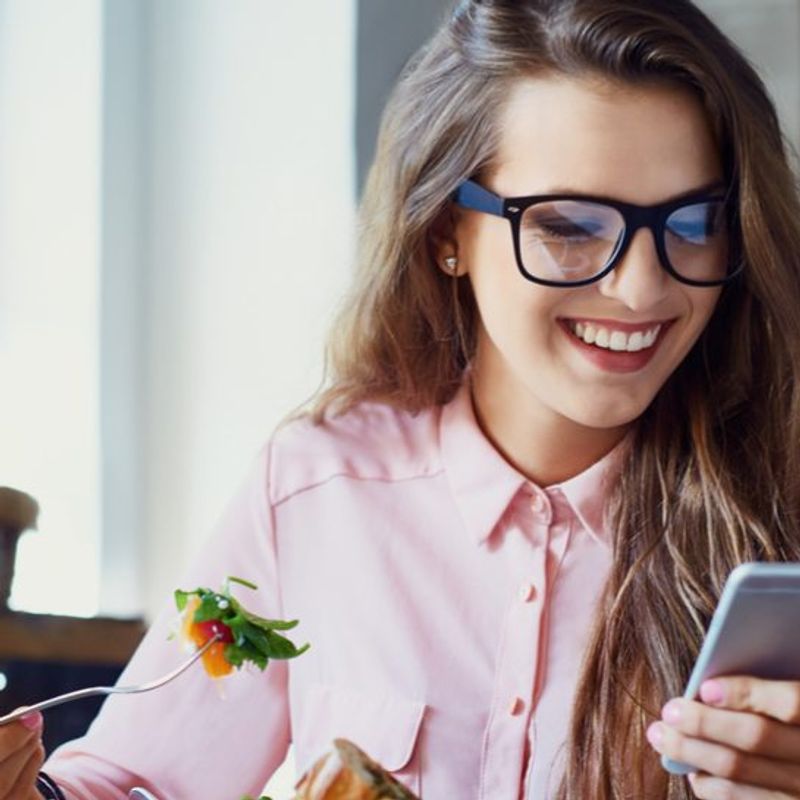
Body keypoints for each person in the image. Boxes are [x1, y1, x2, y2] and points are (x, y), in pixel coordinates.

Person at [4, 0, 800, 797]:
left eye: (695, 220)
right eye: (567, 226)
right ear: (446, 231)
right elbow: (135, 779)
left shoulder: (776, 513)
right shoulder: (318, 486)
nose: (640, 288)